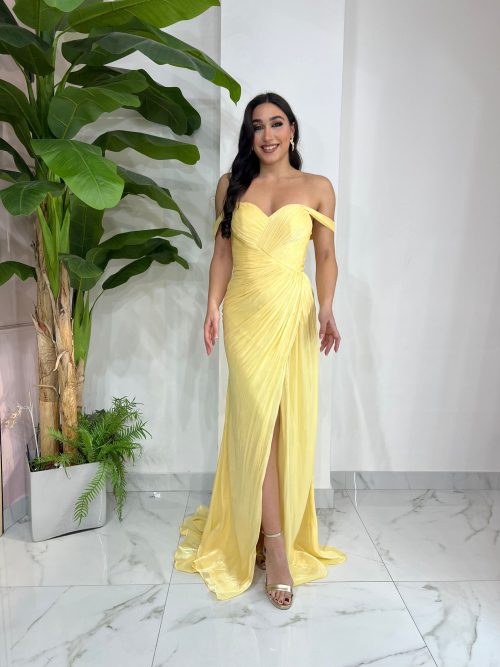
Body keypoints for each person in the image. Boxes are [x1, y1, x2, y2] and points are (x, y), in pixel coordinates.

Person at [173, 92, 347, 610]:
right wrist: (212, 305)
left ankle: (271, 537)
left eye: (276, 123)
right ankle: (272, 544)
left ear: (292, 130)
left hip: (291, 313)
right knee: (257, 421)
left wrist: (327, 308)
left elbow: (326, 257)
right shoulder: (232, 185)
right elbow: (222, 253)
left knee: (279, 423)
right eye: (257, 126)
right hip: (245, 315)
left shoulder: (317, 187)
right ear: (249, 135)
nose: (267, 134)